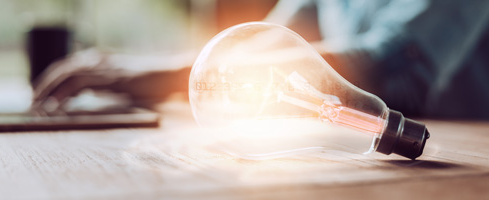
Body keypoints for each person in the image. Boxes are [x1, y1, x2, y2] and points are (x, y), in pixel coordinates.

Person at [33, 0, 489, 119]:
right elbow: (263, 42)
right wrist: (144, 67)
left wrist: (171, 75)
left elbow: (396, 67)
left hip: (455, 158)